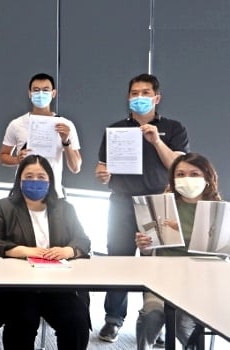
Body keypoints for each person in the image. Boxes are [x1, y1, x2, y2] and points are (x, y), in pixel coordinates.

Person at [95, 73, 190, 342]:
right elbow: (103, 167)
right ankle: (113, 319)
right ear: (128, 97)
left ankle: (156, 320)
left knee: (158, 263)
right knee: (119, 260)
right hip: (122, 202)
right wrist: (102, 174)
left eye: (145, 93)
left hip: (158, 202)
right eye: (134, 93)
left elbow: (177, 166)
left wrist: (156, 140)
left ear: (156, 98)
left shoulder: (173, 129)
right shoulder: (115, 130)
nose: (139, 98)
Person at [0, 155, 91, 350]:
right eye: (29, 176)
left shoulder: (65, 208)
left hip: (57, 287)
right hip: (18, 288)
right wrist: (25, 251)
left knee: (77, 320)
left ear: (50, 181)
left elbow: (83, 241)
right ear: (19, 179)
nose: (35, 181)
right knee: (22, 323)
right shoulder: (3, 207)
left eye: (41, 177)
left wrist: (67, 250)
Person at [135, 153, 221, 349]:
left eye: (194, 174)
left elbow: (222, 255)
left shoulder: (218, 211)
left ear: (207, 178)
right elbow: (149, 251)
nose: (186, 179)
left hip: (200, 283)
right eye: (180, 174)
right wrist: (145, 245)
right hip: (163, 279)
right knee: (151, 315)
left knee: (182, 321)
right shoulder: (161, 206)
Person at [0, 73, 81, 197]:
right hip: (23, 194)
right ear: (29, 93)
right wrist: (16, 160)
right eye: (36, 90)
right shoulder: (17, 124)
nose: (41, 94)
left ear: (53, 93)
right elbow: (3, 157)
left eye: (45, 90)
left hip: (53, 195)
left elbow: (76, 167)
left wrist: (66, 141)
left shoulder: (65, 125)